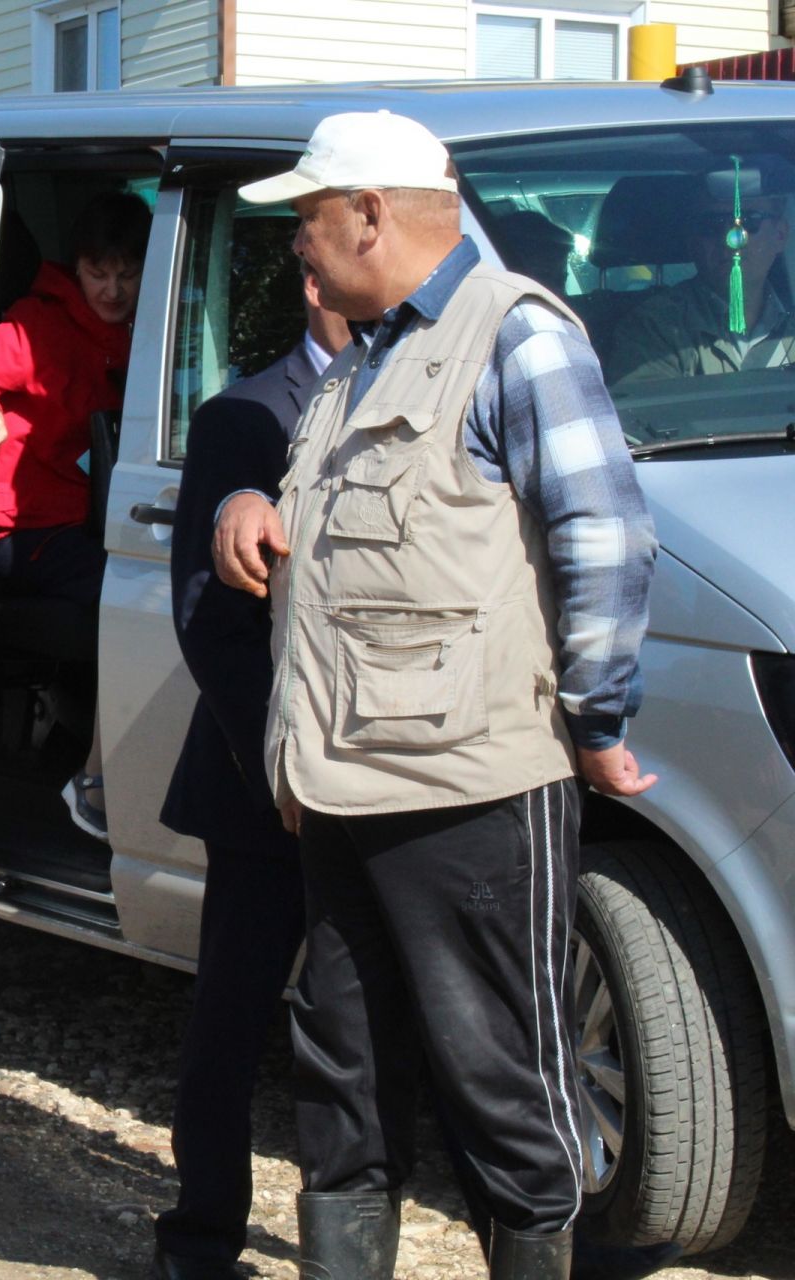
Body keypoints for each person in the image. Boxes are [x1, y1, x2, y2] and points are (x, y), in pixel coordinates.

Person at [217, 112, 658, 1279]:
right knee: (341, 1082)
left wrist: (598, 719)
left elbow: (605, 538)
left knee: (505, 1084)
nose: (298, 249)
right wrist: (254, 508)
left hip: (471, 789)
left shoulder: (515, 339)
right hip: (340, 782)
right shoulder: (364, 354)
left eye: (309, 221)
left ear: (371, 211)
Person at [152, 265, 348, 1280]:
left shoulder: (405, 394)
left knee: (361, 1020)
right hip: (261, 774)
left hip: (371, 780)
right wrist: (281, 763)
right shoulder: (244, 414)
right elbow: (210, 618)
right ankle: (201, 1235)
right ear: (318, 279)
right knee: (231, 1017)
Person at [0, 190, 153, 839]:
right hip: (29, 532)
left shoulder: (152, 331)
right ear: (75, 267)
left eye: (126, 274)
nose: (111, 289)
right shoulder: (37, 324)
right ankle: (96, 783)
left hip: (106, 523)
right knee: (139, 598)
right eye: (97, 272)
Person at [605, 157, 795, 384]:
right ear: (691, 242)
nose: (730, 240)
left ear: (780, 235)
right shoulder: (655, 326)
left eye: (747, 221)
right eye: (711, 224)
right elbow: (650, 417)